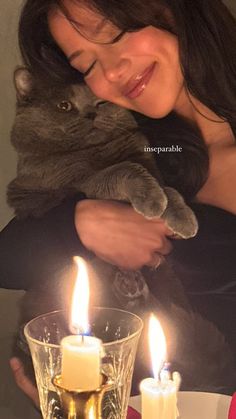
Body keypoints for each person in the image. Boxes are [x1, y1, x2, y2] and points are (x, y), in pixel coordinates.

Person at [0, 0, 236, 403]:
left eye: (116, 33)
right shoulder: (130, 149)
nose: (111, 71)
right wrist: (81, 223)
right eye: (86, 65)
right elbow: (10, 258)